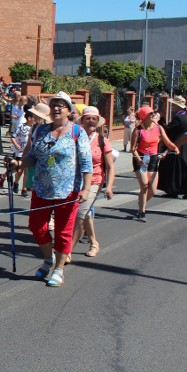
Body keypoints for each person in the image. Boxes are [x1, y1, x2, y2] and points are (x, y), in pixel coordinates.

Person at [15, 92, 93, 288]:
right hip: (41, 188)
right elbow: (32, 157)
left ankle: (58, 269)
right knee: (36, 226)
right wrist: (18, 164)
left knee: (63, 232)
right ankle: (48, 259)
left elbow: (86, 162)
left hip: (68, 190)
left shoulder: (77, 132)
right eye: (54, 105)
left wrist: (86, 188)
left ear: (69, 110)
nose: (57, 108)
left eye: (62, 105)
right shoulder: (40, 130)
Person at [70, 106, 115, 260]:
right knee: (86, 212)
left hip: (95, 180)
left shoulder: (102, 141)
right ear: (82, 121)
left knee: (80, 214)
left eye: (94, 119)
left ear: (98, 122)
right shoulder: (75, 138)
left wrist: (109, 186)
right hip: (77, 181)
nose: (91, 121)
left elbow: (110, 167)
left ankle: (67, 252)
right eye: (87, 118)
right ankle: (94, 243)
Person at [130, 105, 179, 222]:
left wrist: (175, 148)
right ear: (144, 117)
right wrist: (139, 160)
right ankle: (142, 212)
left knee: (152, 189)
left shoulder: (159, 128)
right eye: (150, 114)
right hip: (141, 159)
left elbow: (167, 141)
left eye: (153, 113)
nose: (153, 115)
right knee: (145, 186)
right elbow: (132, 149)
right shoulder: (138, 130)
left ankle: (141, 201)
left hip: (153, 159)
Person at [158, 96, 187, 199]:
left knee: (175, 167)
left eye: (173, 105)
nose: (172, 107)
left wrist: (161, 120)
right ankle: (178, 190)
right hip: (185, 144)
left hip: (179, 144)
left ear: (177, 106)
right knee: (180, 168)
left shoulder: (180, 117)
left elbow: (169, 130)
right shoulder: (184, 116)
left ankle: (185, 189)